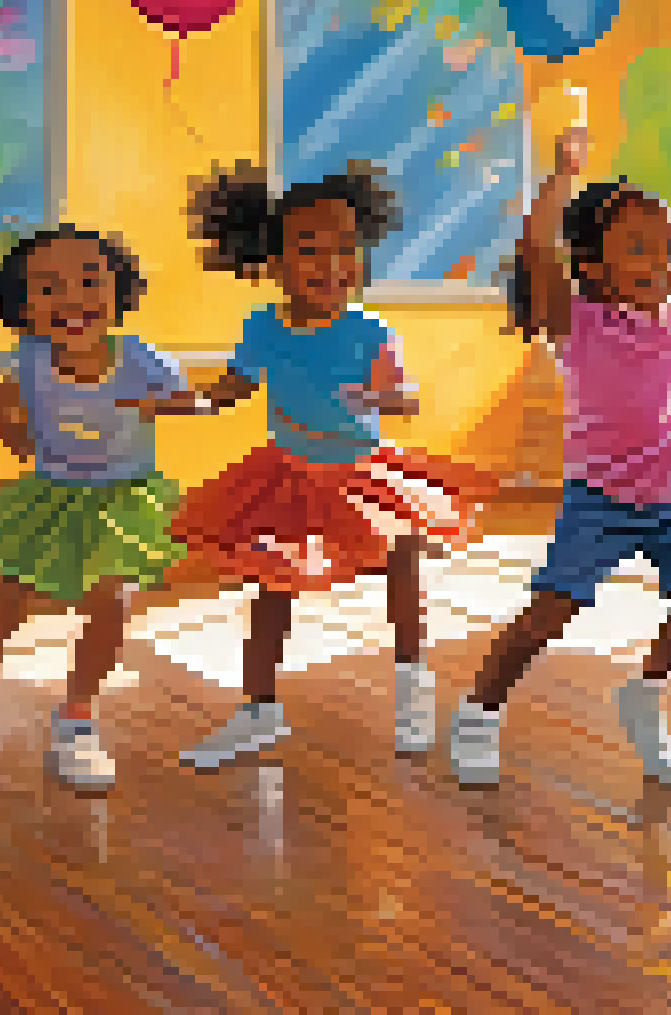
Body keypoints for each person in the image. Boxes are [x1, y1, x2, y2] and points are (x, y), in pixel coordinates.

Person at [447, 127, 671, 788]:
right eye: (637, 247)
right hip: (599, 499)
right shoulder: (575, 321)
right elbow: (535, 245)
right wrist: (562, 175)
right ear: (592, 265)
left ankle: (645, 689)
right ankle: (478, 713)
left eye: (664, 249)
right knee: (547, 615)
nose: (659, 261)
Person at [165, 163, 495, 770]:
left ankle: (410, 699)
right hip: (287, 473)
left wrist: (378, 398)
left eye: (346, 248)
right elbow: (232, 387)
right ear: (273, 260)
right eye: (310, 249)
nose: (331, 264)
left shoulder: (369, 330)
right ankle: (258, 711)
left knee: (403, 564)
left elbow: (407, 398)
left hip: (362, 472)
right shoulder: (263, 328)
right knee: (270, 586)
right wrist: (188, 400)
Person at [0, 226, 194, 791]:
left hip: (123, 498)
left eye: (89, 282)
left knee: (112, 601)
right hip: (51, 494)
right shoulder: (30, 358)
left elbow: (188, 400)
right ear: (22, 307)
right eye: (48, 288)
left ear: (118, 290)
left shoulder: (138, 355)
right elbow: (3, 405)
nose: (73, 298)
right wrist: (14, 435)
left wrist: (158, 403)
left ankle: (77, 717)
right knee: (5, 601)